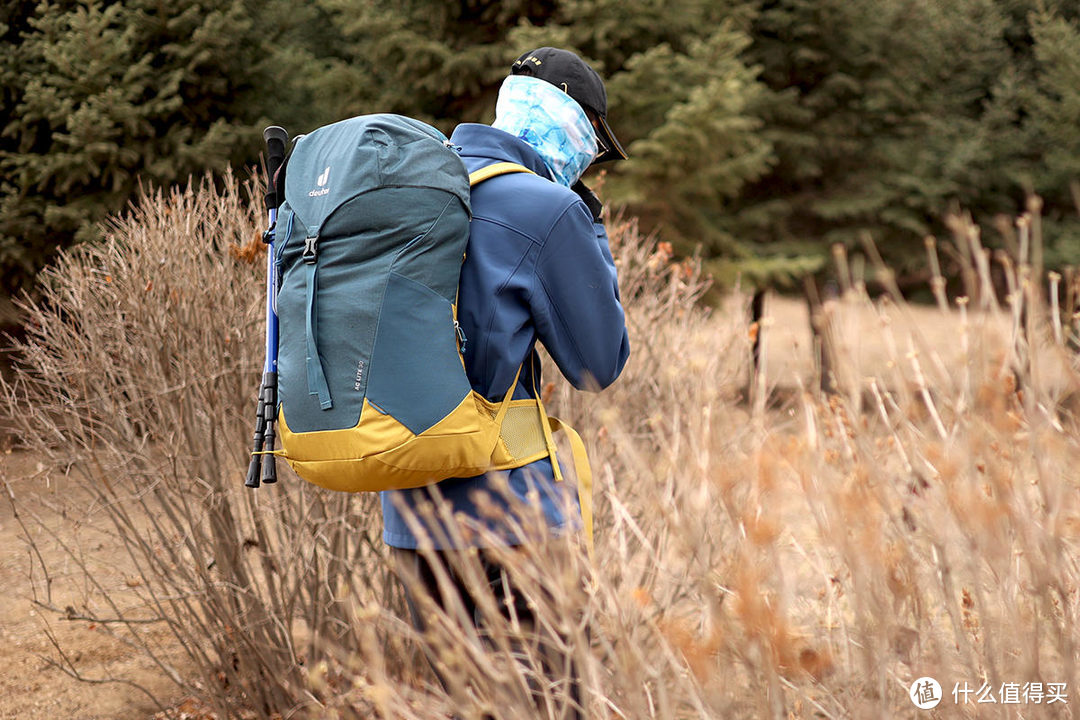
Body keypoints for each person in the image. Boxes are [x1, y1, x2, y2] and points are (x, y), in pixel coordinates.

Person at [380, 47, 631, 716]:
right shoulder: (543, 206)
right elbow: (595, 364)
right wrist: (588, 224)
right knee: (548, 701)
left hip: (411, 519)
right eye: (594, 146)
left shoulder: (411, 183)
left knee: (462, 702)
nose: (590, 162)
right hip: (512, 519)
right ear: (575, 124)